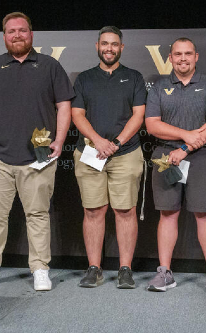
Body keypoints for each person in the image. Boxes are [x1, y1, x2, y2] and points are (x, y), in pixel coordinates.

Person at [0, 12, 74, 291]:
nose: (17, 35)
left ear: (31, 34)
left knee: (38, 215)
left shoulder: (49, 66)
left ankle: (40, 269)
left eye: (22, 31)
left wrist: (59, 140)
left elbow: (64, 105)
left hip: (38, 157)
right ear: (4, 37)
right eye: (11, 31)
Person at [145, 38, 206, 294]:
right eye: (178, 54)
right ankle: (165, 272)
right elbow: (152, 125)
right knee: (168, 213)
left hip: (203, 156)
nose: (183, 58)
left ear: (196, 56)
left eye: (188, 54)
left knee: (205, 214)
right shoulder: (159, 87)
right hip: (164, 158)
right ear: (170, 57)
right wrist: (184, 135)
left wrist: (185, 148)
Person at [71, 26, 146, 289]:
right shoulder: (84, 79)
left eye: (114, 44)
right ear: (97, 46)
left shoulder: (134, 77)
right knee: (93, 211)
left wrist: (115, 143)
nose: (109, 48)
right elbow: (77, 115)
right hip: (90, 152)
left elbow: (138, 115)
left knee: (125, 211)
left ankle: (125, 269)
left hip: (125, 153)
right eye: (105, 44)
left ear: (121, 48)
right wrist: (100, 142)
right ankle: (94, 268)